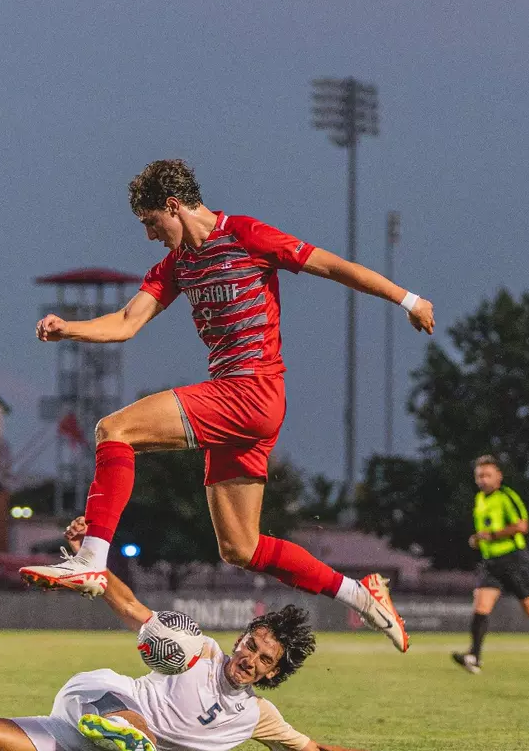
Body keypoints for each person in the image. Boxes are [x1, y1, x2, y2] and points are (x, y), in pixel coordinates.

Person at [21, 159, 433, 652]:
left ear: (174, 206)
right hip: (243, 409)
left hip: (250, 390)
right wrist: (70, 328)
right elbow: (127, 322)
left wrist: (407, 300)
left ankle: (90, 559)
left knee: (115, 429)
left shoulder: (244, 234)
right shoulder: (177, 265)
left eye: (152, 222)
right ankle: (362, 597)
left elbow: (331, 266)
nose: (151, 235)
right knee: (241, 548)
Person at [0, 566, 430, 751]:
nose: (247, 657)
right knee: (135, 730)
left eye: (262, 658)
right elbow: (132, 609)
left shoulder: (260, 718)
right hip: (101, 698)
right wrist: (94, 565)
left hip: (80, 742)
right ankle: (128, 733)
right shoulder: (199, 650)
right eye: (249, 644)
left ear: (273, 675)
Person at [451, 456, 529, 673]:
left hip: (514, 560)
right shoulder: (480, 500)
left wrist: (492, 535)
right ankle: (474, 656)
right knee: (481, 605)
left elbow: (522, 526)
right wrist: (478, 539)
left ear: (498, 476)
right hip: (491, 563)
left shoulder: (506, 497)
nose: (482, 480)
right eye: (479, 476)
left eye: (487, 475)